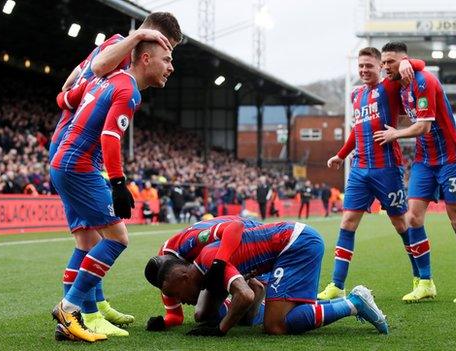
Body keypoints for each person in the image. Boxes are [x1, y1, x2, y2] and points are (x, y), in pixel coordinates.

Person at [50, 13, 182, 342]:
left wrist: (68, 102)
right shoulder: (124, 81)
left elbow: (67, 94)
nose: (171, 65)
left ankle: (83, 313)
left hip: (65, 159)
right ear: (146, 53)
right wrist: (118, 184)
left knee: (88, 240)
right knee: (117, 238)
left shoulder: (108, 78)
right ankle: (71, 309)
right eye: (168, 56)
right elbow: (110, 136)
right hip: (78, 164)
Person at [374, 41, 456, 303]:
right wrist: (408, 64)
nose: (386, 67)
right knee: (413, 219)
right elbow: (375, 84)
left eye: (391, 61)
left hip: (451, 158)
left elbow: (422, 127)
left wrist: (395, 134)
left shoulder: (424, 81)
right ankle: (425, 283)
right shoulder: (397, 83)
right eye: (384, 62)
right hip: (424, 160)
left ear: (404, 60)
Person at [318, 47, 425, 300]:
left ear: (380, 67)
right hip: (359, 170)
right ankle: (337, 284)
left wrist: (408, 62)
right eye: (361, 66)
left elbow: (418, 66)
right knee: (347, 223)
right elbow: (357, 130)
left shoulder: (389, 86)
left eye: (370, 66)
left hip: (387, 169)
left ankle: (421, 278)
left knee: (400, 224)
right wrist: (341, 155)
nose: (364, 70)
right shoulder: (357, 95)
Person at [154, 221, 389, 336]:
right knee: (279, 316)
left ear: (185, 277)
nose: (180, 300)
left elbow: (244, 295)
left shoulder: (208, 259)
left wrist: (221, 330)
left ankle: (354, 304)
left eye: (176, 294)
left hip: (295, 243)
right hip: (291, 243)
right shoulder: (206, 265)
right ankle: (352, 302)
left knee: (275, 325)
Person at [143, 215, 263, 331]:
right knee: (203, 314)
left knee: (254, 316)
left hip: (247, 233)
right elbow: (175, 316)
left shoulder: (189, 244)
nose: (179, 300)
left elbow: (234, 228)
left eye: (177, 295)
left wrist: (219, 265)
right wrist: (163, 323)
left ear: (181, 274)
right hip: (221, 248)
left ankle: (259, 294)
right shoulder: (166, 278)